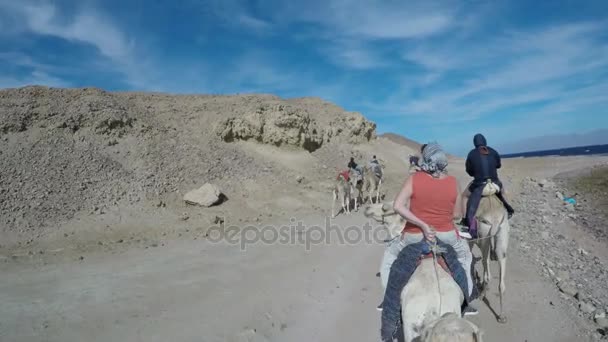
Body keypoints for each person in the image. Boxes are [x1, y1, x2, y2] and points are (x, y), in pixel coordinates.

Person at [378, 142, 476, 315]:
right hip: (446, 236)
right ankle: (466, 302)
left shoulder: (414, 179)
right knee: (465, 257)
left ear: (426, 159)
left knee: (390, 257)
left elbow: (398, 206)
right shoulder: (453, 182)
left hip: (414, 236)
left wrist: (422, 224)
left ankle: (390, 301)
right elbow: (457, 215)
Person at [462, 134, 515, 238]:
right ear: (485, 141)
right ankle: (509, 211)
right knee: (503, 192)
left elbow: (469, 171)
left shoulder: (471, 154)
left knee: (464, 196)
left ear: (474, 143)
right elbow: (498, 165)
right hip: (495, 184)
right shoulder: (493, 151)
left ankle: (466, 221)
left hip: (480, 186)